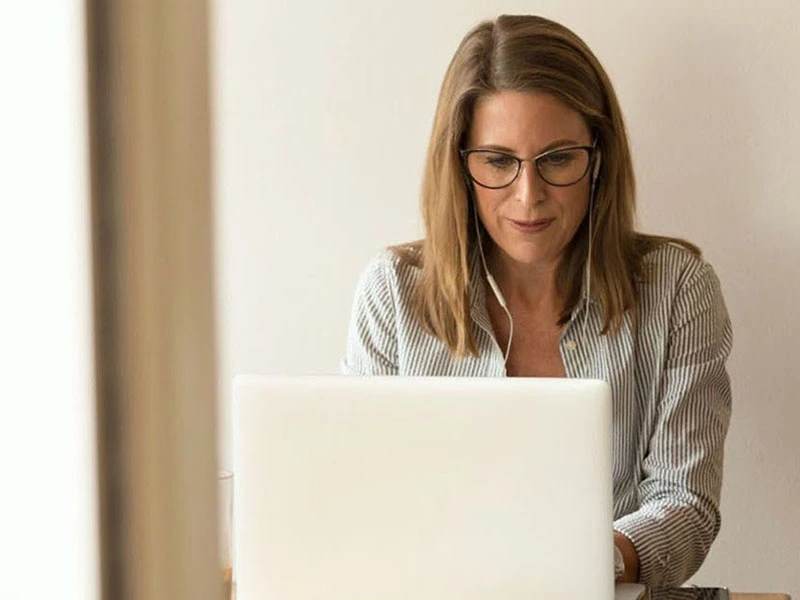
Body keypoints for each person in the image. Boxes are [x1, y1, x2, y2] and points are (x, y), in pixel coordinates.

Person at [342, 14, 732, 587]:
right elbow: (361, 497)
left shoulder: (677, 289)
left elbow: (687, 505)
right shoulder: (392, 293)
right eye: (498, 161)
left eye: (557, 159)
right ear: (460, 164)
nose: (529, 197)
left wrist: (584, 562)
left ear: (598, 157)